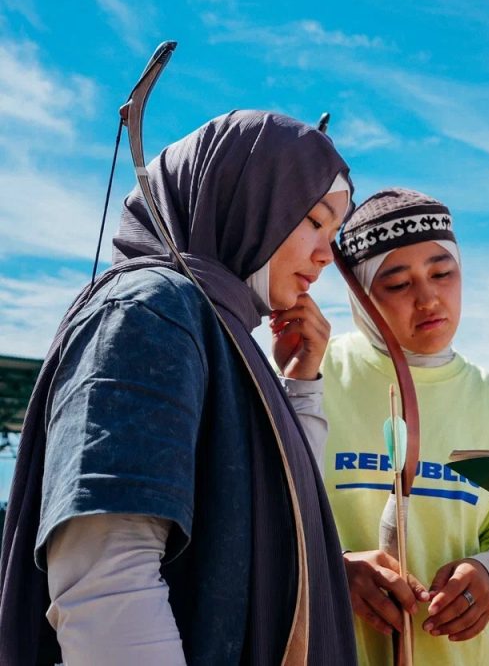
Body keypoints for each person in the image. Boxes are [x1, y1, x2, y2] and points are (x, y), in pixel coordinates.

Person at [0, 110, 358, 664]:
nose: (325, 255)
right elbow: (103, 577)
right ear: (243, 197)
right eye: (313, 218)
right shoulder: (150, 310)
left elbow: (280, 527)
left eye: (334, 233)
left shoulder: (218, 329)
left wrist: (301, 384)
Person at [320, 188, 489, 666]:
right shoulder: (312, 377)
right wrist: (335, 570)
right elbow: (261, 520)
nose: (429, 298)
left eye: (442, 273)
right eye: (397, 284)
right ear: (359, 293)